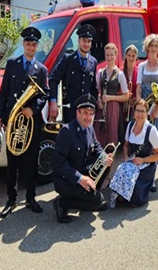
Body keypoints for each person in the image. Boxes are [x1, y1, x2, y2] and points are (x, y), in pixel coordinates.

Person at [0, 26, 49, 218]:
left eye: (34, 44)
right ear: (23, 44)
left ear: (37, 46)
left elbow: (45, 94)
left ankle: (31, 198)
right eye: (28, 43)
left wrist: (33, 109)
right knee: (13, 163)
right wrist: (0, 116)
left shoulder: (42, 70)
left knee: (31, 162)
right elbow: (4, 92)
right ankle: (11, 199)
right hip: (13, 120)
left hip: (31, 122)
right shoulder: (12, 64)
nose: (31, 47)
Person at [52, 93, 114, 223]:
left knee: (105, 165)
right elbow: (59, 163)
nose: (89, 117)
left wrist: (104, 157)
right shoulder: (67, 131)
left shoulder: (89, 128)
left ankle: (87, 194)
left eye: (91, 114)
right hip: (66, 180)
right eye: (85, 113)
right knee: (98, 202)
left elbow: (96, 146)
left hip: (83, 172)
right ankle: (62, 203)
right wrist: (80, 179)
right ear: (77, 113)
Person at [109, 99, 158, 207]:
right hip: (131, 162)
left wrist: (143, 160)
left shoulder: (151, 130)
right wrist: (125, 158)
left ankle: (129, 195)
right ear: (134, 112)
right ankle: (120, 194)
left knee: (134, 200)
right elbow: (125, 146)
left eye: (143, 111)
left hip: (146, 166)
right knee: (122, 169)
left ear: (147, 113)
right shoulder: (130, 126)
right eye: (137, 110)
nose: (139, 114)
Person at [136, 34, 158, 192]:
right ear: (147, 47)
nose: (153, 48)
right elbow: (138, 88)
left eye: (156, 46)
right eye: (151, 45)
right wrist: (138, 107)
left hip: (156, 106)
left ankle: (152, 179)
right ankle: (140, 175)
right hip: (142, 106)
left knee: (154, 144)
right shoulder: (141, 66)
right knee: (142, 143)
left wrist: (156, 109)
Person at [49, 24, 98, 123]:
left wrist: (94, 107)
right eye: (84, 40)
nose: (86, 44)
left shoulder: (93, 62)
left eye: (89, 41)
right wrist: (53, 102)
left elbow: (93, 88)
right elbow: (53, 80)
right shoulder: (68, 59)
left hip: (86, 113)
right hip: (70, 111)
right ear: (78, 40)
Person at [94, 43, 129, 146]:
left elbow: (126, 96)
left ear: (116, 55)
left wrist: (110, 98)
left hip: (113, 108)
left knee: (111, 138)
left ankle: (111, 161)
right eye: (107, 55)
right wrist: (99, 100)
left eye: (111, 55)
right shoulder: (100, 72)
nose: (109, 57)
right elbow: (96, 90)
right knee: (99, 135)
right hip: (101, 108)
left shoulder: (120, 74)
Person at [122, 44, 139, 124]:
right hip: (122, 106)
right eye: (129, 55)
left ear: (136, 57)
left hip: (134, 107)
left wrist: (135, 99)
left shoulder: (139, 71)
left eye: (133, 56)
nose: (131, 58)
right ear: (125, 56)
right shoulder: (120, 72)